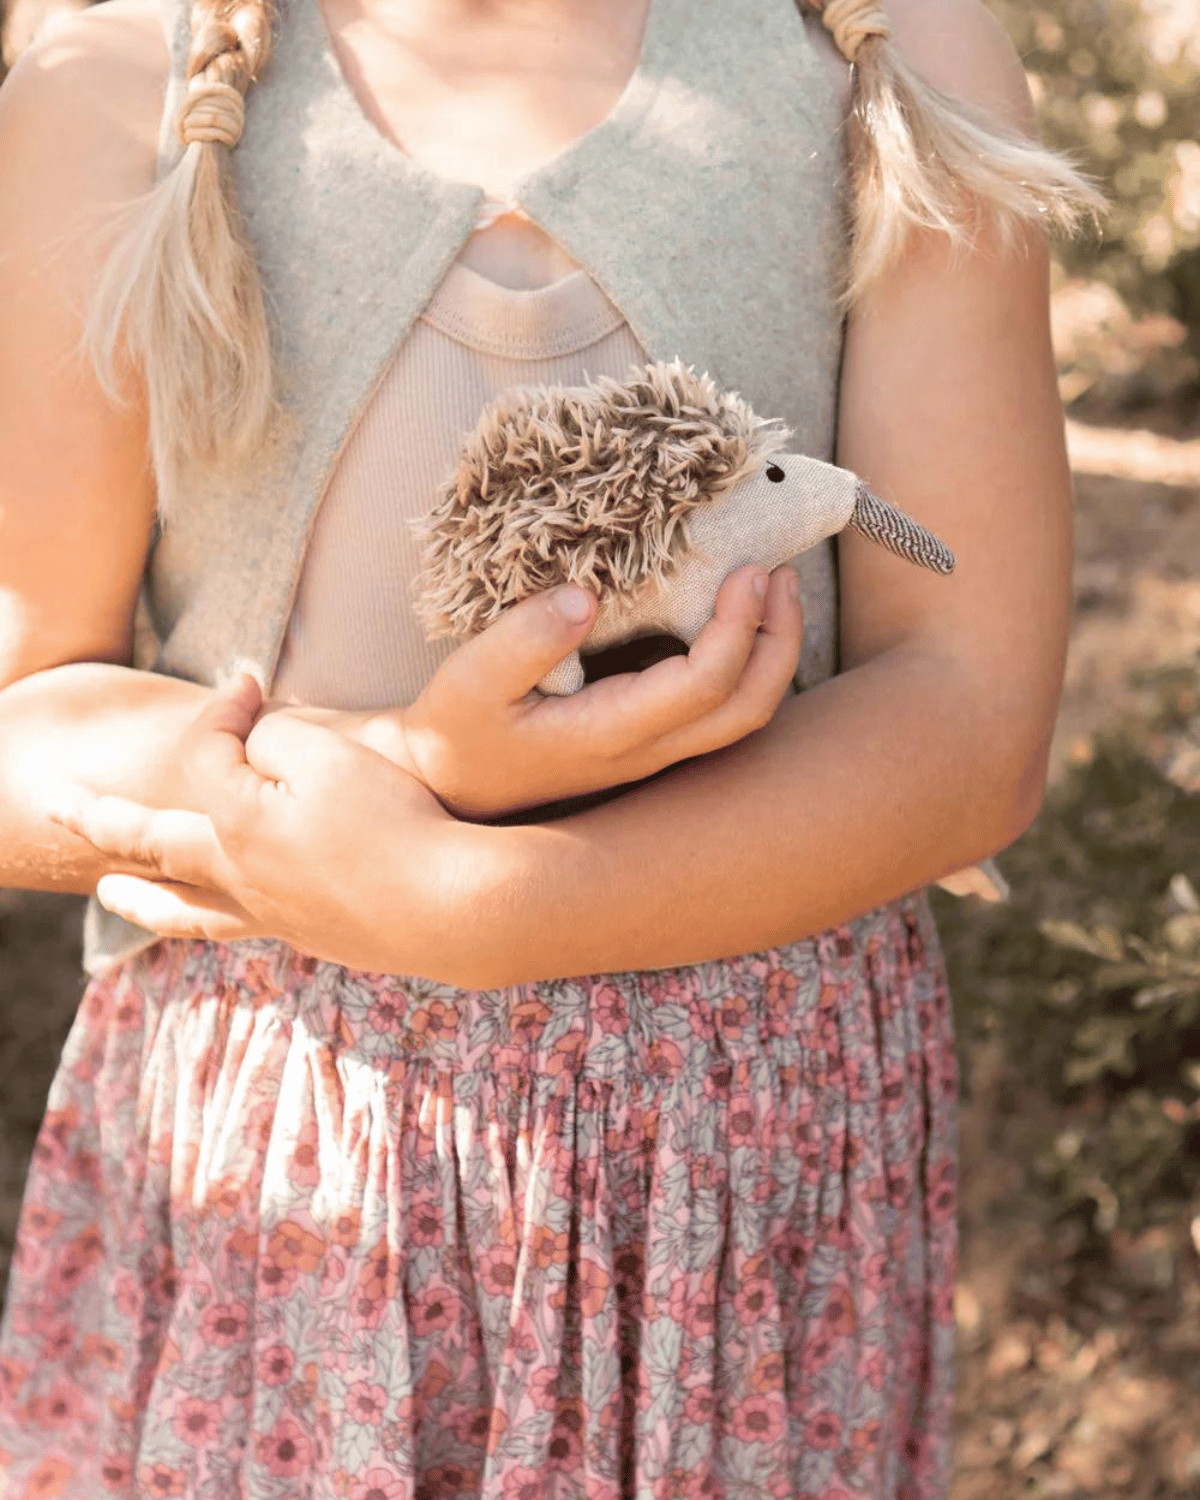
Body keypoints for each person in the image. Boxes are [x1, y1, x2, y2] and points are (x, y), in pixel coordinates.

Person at [0, 0, 1098, 1492]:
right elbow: (24, 712)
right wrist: (399, 767)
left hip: (743, 1192)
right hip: (291, 1186)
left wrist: (490, 911)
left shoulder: (897, 48)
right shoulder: (120, 73)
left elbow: (971, 715)